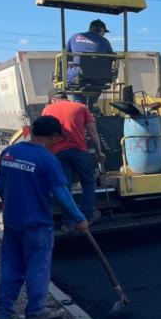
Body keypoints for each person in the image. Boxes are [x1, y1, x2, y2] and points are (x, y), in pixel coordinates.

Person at [0, 116, 88, 319]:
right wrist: (79, 218)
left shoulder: (9, 152)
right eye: (57, 138)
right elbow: (61, 194)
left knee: (11, 267)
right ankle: (36, 311)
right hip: (36, 223)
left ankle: (3, 313)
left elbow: (0, 187)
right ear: (53, 136)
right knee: (38, 267)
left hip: (12, 222)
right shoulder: (47, 159)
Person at [42, 89, 106, 227]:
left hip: (57, 153)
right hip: (79, 152)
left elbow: (44, 136)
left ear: (52, 99)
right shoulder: (81, 107)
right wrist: (99, 151)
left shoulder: (47, 110)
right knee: (88, 183)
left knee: (65, 187)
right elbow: (93, 133)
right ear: (66, 97)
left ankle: (68, 222)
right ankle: (87, 217)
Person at [66, 19, 114, 87]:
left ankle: (78, 98)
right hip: (100, 79)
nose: (104, 34)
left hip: (77, 78)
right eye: (104, 32)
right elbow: (112, 56)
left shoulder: (75, 36)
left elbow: (65, 55)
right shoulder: (105, 41)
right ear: (100, 30)